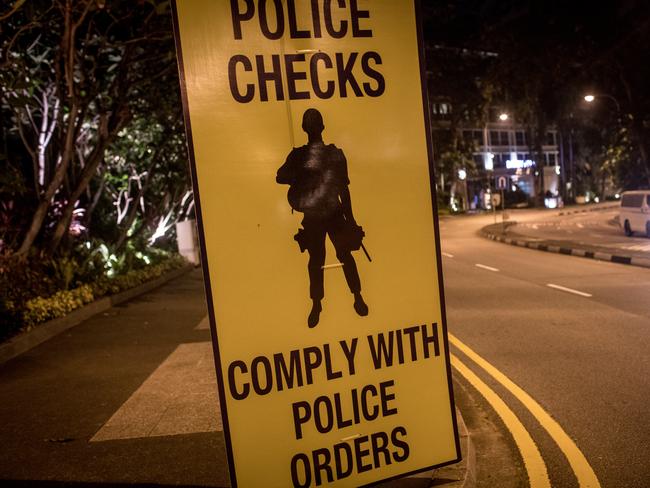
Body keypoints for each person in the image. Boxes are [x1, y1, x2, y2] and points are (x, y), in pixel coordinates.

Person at [277, 108, 368, 328]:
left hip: (332, 213)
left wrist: (351, 221)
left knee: (339, 256)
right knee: (319, 260)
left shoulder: (332, 154)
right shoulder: (301, 155)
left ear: (304, 128)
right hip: (316, 214)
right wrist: (298, 174)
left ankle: (355, 296)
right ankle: (319, 303)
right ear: (321, 127)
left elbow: (343, 190)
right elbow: (281, 176)